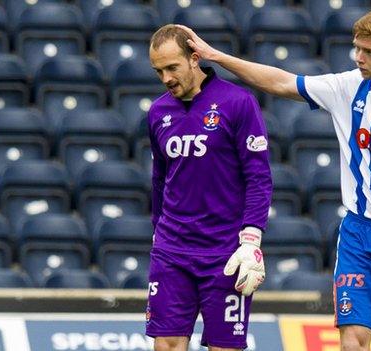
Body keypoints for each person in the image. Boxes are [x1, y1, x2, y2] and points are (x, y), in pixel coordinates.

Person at [180, 5, 371, 351]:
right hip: (358, 233)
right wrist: (216, 56)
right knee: (352, 342)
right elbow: (281, 82)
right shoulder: (348, 86)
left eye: (368, 52)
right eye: (357, 47)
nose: (358, 57)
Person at [145, 24, 272, 351]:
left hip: (226, 252)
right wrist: (157, 230)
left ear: (194, 58)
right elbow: (160, 178)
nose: (166, 78)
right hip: (172, 250)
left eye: (172, 67)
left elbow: (258, 177)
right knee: (167, 344)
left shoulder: (238, 102)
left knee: (224, 348)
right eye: (158, 71)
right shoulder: (158, 112)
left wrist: (251, 240)